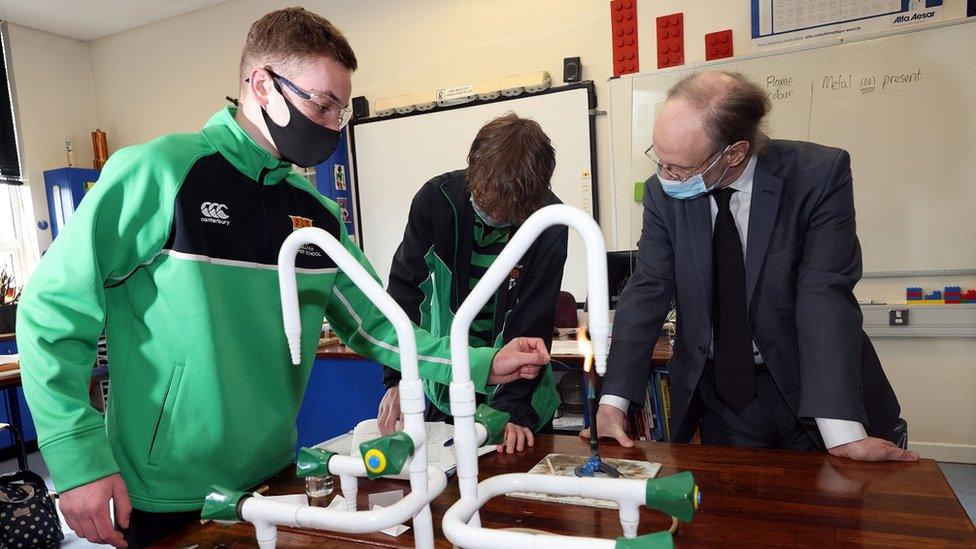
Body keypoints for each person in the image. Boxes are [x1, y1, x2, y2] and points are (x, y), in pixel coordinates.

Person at [16, 8, 549, 548]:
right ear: (262, 85)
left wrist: (483, 362)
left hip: (274, 480)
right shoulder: (162, 172)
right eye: (321, 105)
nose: (331, 126)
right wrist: (77, 455)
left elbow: (380, 327)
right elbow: (52, 310)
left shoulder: (317, 216)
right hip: (166, 490)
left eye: (340, 111)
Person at [588, 71, 917, 463]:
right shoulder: (664, 194)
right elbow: (648, 289)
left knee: (830, 516)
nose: (664, 177)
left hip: (811, 386)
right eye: (660, 159)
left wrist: (840, 431)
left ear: (735, 153)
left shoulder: (817, 177)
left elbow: (823, 295)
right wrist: (613, 402)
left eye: (680, 168)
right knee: (732, 516)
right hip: (726, 395)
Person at [376, 114, 568, 454]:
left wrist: (512, 408)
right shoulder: (436, 202)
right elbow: (406, 293)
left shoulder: (549, 220)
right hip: (446, 382)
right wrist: (399, 379)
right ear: (472, 171)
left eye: (504, 211)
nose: (490, 212)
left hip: (518, 393)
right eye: (482, 197)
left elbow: (534, 318)